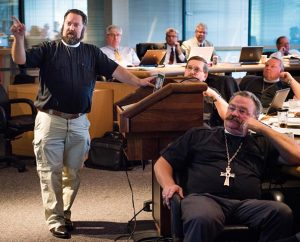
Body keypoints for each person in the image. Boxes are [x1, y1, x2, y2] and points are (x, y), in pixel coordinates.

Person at [10, 9, 154, 239]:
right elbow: (21, 60)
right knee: (50, 173)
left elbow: (117, 71)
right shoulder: (49, 49)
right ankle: (55, 219)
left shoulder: (91, 52)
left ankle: (65, 213)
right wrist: (18, 38)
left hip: (79, 123)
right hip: (50, 121)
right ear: (63, 26)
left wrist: (139, 82)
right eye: (69, 23)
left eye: (76, 24)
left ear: (83, 29)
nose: (71, 27)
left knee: (73, 174)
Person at [154, 90, 300, 242]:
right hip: (205, 199)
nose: (234, 113)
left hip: (247, 204)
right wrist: (168, 184)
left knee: (281, 212)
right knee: (203, 217)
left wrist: (263, 128)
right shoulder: (200, 135)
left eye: (242, 111)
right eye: (232, 108)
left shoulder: (260, 143)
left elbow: (297, 155)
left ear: (255, 118)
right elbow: (163, 162)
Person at [183, 56, 238, 126]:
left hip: (203, 132)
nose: (191, 72)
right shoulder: (172, 90)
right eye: (189, 68)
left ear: (205, 76)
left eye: (196, 69)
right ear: (185, 71)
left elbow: (229, 117)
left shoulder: (211, 92)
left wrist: (214, 95)